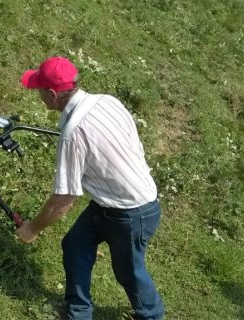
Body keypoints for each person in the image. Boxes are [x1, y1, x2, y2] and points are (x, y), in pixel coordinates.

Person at [15, 56, 164, 320]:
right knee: (75, 245)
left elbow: (63, 200)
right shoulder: (107, 100)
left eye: (39, 90)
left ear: (52, 94)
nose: (38, 95)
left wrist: (32, 229)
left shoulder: (73, 133)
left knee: (129, 273)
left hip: (131, 212)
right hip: (109, 203)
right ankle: (79, 312)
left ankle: (152, 316)